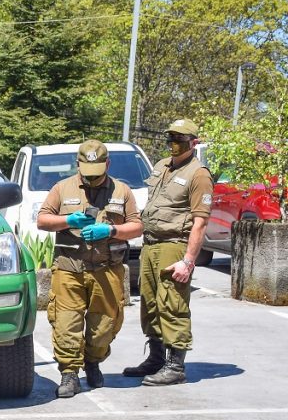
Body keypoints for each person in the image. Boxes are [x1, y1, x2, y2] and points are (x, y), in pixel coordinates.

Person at [36, 140, 143, 398]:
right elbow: (42, 220)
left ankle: (93, 361)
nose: (92, 177)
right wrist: (67, 220)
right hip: (69, 269)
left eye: (97, 170)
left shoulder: (122, 191)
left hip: (107, 269)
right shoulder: (62, 188)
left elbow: (138, 227)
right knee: (66, 323)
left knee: (104, 327)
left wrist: (111, 230)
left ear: (107, 164)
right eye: (86, 171)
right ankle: (69, 374)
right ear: (78, 165)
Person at [125, 118, 213, 386]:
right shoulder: (162, 166)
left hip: (174, 245)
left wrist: (188, 261)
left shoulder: (199, 174)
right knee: (150, 304)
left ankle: (176, 366)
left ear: (193, 143)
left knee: (172, 304)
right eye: (171, 139)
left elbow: (200, 221)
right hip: (150, 244)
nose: (174, 144)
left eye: (180, 140)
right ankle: (156, 358)